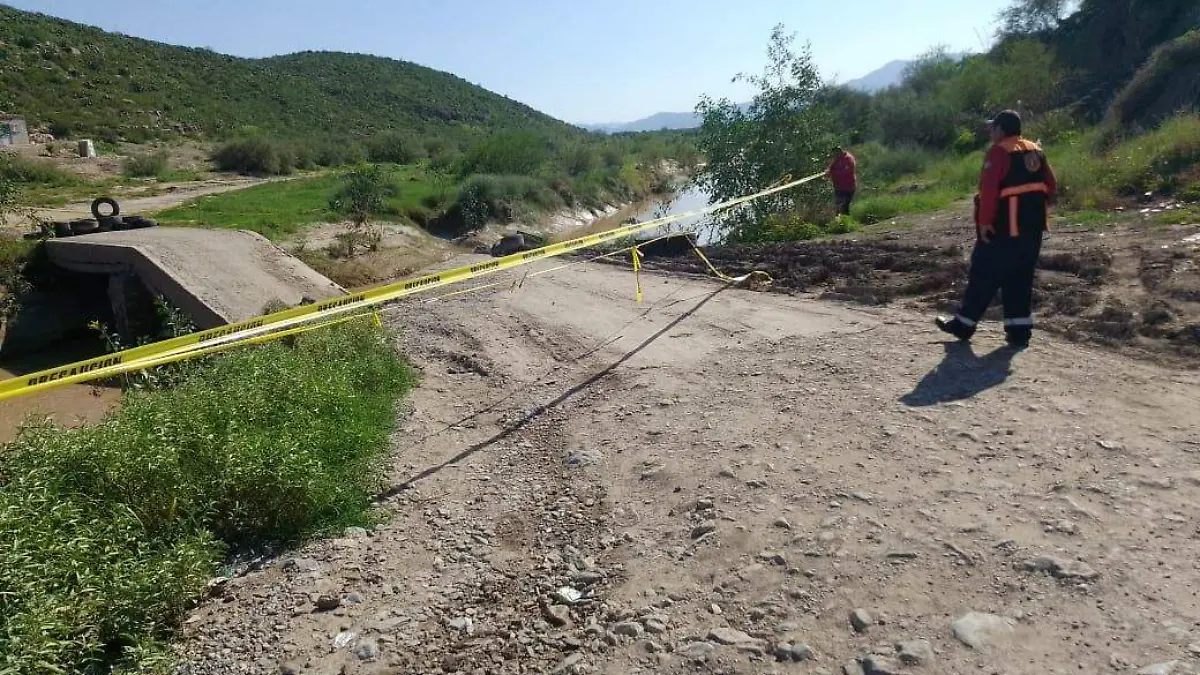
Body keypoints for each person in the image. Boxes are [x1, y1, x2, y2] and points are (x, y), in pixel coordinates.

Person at [936, 110, 1057, 349]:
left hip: (1004, 228)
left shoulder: (999, 152)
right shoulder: (1035, 149)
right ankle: (1019, 332)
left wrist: (984, 223)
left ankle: (963, 324)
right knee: (1020, 279)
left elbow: (989, 192)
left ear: (1001, 130)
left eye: (993, 128)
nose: (991, 132)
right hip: (1032, 230)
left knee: (983, 273)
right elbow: (1051, 186)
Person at [826, 146, 857, 216]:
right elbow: (832, 167)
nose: (834, 156)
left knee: (844, 206)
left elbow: (846, 171)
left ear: (839, 152)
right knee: (838, 206)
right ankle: (840, 223)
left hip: (848, 187)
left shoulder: (848, 159)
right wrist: (828, 172)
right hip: (839, 187)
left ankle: (847, 223)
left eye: (835, 154)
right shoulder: (837, 159)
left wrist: (833, 173)